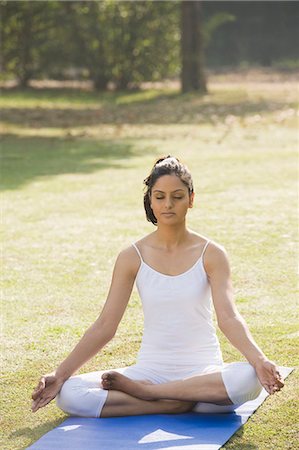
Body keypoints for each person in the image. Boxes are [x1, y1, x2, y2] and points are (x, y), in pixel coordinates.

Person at [31, 156, 284, 418]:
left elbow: (229, 317)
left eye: (177, 196)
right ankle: (173, 402)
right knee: (70, 394)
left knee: (246, 378)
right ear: (150, 200)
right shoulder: (132, 256)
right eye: (160, 197)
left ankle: (153, 395)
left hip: (202, 373)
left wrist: (259, 359)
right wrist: (60, 375)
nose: (168, 204)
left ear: (191, 199)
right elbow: (106, 324)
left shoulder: (212, 253)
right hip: (151, 372)